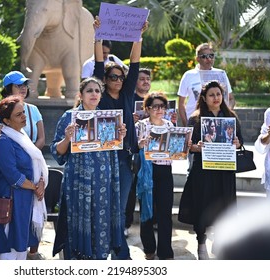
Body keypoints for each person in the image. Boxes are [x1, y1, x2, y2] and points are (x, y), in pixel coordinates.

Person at [50, 77, 126, 259]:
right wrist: (67, 138)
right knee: (76, 222)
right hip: (78, 181)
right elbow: (57, 151)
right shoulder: (69, 117)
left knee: (100, 223)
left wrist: (119, 136)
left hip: (102, 181)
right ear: (81, 95)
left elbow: (111, 151)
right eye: (89, 91)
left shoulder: (108, 118)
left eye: (97, 91)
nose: (94, 94)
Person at [93, 16, 148, 260]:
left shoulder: (127, 93)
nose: (117, 80)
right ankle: (100, 245)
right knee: (102, 203)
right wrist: (97, 35)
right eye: (112, 77)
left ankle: (119, 250)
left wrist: (138, 36)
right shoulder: (100, 94)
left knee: (120, 204)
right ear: (105, 80)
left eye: (120, 77)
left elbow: (134, 65)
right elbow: (97, 63)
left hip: (125, 159)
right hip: (102, 157)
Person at [178, 80, 243, 260]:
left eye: (218, 94)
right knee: (202, 206)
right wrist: (196, 147)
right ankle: (201, 243)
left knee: (225, 207)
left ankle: (221, 241)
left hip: (225, 171)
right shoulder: (196, 119)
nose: (216, 98)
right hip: (203, 171)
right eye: (212, 95)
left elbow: (240, 142)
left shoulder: (231, 117)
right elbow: (188, 146)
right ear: (204, 98)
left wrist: (237, 144)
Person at [0, 70, 46, 260]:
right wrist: (35, 187)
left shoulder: (23, 139)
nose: (24, 117)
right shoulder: (3, 142)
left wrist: (40, 185)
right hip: (12, 200)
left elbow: (35, 162)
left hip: (25, 200)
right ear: (6, 121)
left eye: (23, 113)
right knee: (10, 252)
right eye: (19, 114)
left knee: (21, 250)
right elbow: (13, 176)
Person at [136, 92, 176, 260]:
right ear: (147, 108)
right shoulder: (140, 126)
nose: (159, 110)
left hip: (165, 172)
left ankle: (165, 251)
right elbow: (133, 146)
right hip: (147, 171)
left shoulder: (170, 125)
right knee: (147, 210)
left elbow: (175, 149)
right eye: (155, 106)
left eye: (162, 106)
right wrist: (140, 144)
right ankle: (149, 249)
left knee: (165, 213)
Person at [177, 43, 235, 127]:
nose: (208, 59)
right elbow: (181, 103)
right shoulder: (188, 75)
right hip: (195, 121)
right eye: (204, 56)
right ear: (197, 59)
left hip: (217, 123)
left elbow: (231, 98)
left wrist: (225, 114)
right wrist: (186, 125)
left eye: (211, 55)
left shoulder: (221, 74)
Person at [125, 68, 151, 237]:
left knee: (149, 187)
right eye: (141, 79)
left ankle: (150, 221)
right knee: (131, 189)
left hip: (151, 151)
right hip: (132, 150)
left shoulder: (154, 100)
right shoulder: (128, 99)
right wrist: (130, 118)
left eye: (148, 79)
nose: (145, 82)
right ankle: (126, 224)